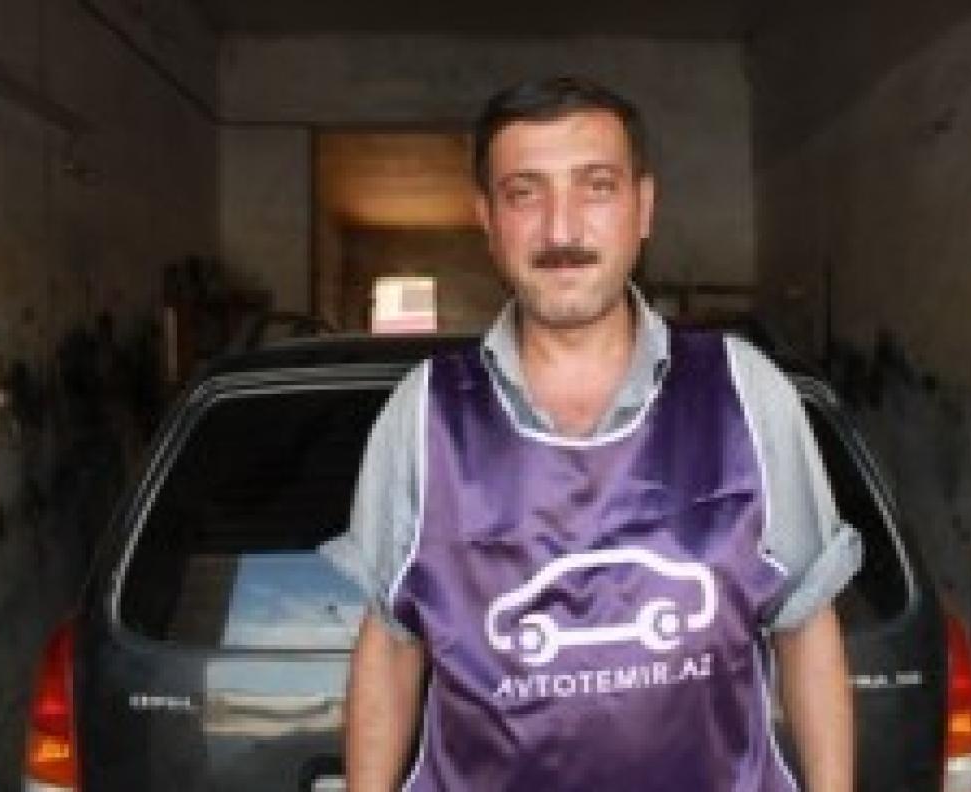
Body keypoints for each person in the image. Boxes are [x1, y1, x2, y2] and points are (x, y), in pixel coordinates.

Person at [323, 76, 862, 791]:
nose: (561, 230)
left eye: (596, 187)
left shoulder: (743, 390)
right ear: (488, 221)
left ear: (644, 206)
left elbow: (806, 624)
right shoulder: (424, 414)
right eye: (525, 194)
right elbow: (392, 648)